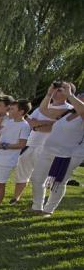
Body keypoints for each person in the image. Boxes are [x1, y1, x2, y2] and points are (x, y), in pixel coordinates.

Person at [30, 83, 84, 215]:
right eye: (79, 95)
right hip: (49, 150)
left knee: (57, 182)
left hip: (69, 155)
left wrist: (70, 95)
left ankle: (48, 210)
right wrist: (49, 94)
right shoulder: (67, 112)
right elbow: (44, 110)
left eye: (82, 96)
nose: (80, 97)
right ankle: (37, 206)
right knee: (37, 178)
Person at [11, 85, 71, 203]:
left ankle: (38, 202)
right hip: (31, 144)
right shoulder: (42, 107)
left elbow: (54, 128)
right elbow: (29, 123)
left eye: (59, 90)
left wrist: (38, 124)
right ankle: (16, 197)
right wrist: (42, 124)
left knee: (41, 177)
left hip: (47, 147)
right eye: (54, 89)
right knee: (22, 173)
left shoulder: (69, 109)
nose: (54, 92)